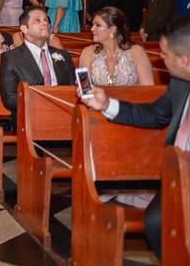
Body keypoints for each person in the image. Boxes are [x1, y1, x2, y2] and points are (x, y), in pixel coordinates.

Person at [80, 17, 190, 260]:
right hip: (177, 177)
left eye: (165, 54)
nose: (160, 58)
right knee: (155, 221)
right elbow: (154, 114)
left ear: (185, 61)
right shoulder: (180, 84)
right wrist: (107, 104)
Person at [0, 6, 76, 116]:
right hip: (29, 115)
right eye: (38, 20)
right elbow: (9, 99)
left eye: (46, 20)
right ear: (25, 29)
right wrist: (41, 101)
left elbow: (74, 89)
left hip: (63, 113)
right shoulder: (11, 58)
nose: (44, 23)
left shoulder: (63, 56)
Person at [78, 7, 153, 86]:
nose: (92, 29)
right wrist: (82, 84)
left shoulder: (137, 52)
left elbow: (148, 88)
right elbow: (84, 88)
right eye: (93, 25)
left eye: (98, 25)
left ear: (113, 29)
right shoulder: (87, 53)